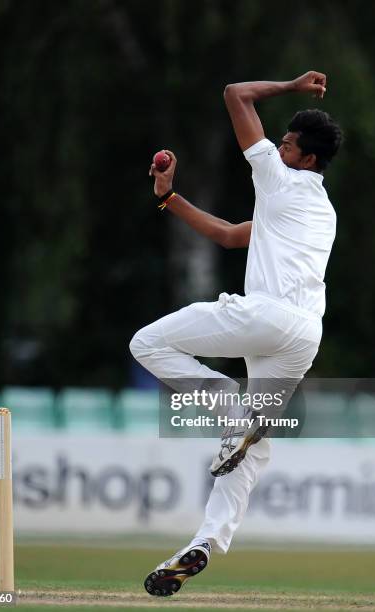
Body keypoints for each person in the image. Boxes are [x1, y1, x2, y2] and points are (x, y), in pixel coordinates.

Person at [130, 71, 343, 597]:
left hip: (265, 316)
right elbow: (229, 236)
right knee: (253, 448)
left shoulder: (275, 178)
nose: (277, 146)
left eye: (287, 143)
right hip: (303, 336)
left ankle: (227, 405)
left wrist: (294, 86)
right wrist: (168, 197)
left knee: (147, 343)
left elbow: (235, 94)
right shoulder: (321, 210)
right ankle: (204, 542)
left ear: (306, 159)